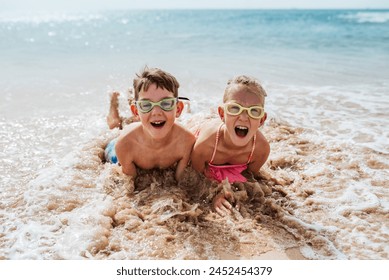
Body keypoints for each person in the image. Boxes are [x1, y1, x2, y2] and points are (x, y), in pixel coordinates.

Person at [190, 75, 270, 216]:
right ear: (222, 113)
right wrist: (214, 194)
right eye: (234, 108)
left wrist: (235, 193)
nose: (244, 117)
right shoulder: (205, 144)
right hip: (203, 132)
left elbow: (248, 178)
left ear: (262, 120)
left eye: (254, 111)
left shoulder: (260, 150)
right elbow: (194, 178)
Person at [104, 67, 196, 182]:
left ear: (178, 109)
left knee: (145, 120)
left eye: (166, 103)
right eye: (146, 105)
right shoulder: (125, 144)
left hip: (143, 126)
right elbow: (129, 184)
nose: (156, 112)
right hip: (118, 146)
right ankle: (114, 102)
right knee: (115, 126)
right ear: (135, 111)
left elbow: (181, 182)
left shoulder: (187, 141)